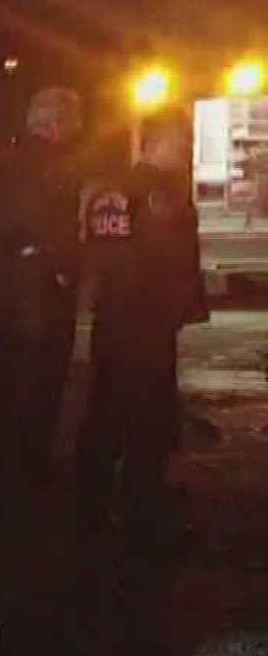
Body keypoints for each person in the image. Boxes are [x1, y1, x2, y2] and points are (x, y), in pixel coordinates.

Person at [76, 113, 209, 543]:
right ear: (158, 147)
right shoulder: (161, 194)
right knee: (151, 416)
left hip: (113, 315)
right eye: (180, 145)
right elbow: (170, 258)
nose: (186, 153)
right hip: (149, 318)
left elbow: (99, 254)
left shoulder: (110, 191)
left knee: (105, 409)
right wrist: (180, 306)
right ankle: (142, 505)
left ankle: (91, 500)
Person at [0, 87, 87, 491]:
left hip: (7, 284)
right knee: (41, 375)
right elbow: (56, 225)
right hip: (41, 286)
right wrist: (64, 269)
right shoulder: (53, 166)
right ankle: (30, 463)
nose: (75, 131)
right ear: (55, 124)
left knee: (5, 368)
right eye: (72, 123)